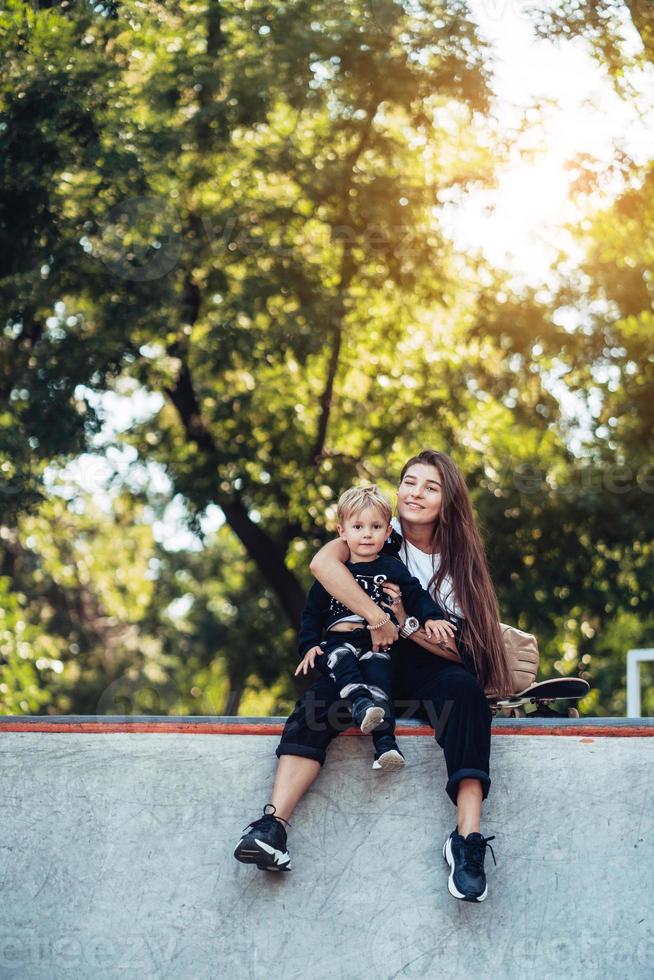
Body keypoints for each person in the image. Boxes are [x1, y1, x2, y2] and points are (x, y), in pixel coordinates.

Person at [234, 449, 512, 902]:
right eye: (409, 481)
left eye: (430, 486)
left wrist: (402, 621)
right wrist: (376, 619)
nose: (415, 493)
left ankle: (467, 841)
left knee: (464, 695)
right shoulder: (376, 529)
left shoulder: (460, 561)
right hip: (366, 650)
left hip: (424, 661)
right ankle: (273, 826)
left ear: (449, 500)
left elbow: (462, 649)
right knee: (319, 702)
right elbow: (324, 567)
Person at [295, 484, 456, 773]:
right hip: (338, 642)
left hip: (377, 644)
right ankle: (359, 703)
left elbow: (416, 593)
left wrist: (431, 617)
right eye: (358, 526)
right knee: (340, 660)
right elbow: (311, 613)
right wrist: (308, 645)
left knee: (380, 682)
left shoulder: (392, 568)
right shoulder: (337, 573)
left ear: (387, 532)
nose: (367, 533)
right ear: (342, 531)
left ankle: (386, 746)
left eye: (375, 526)